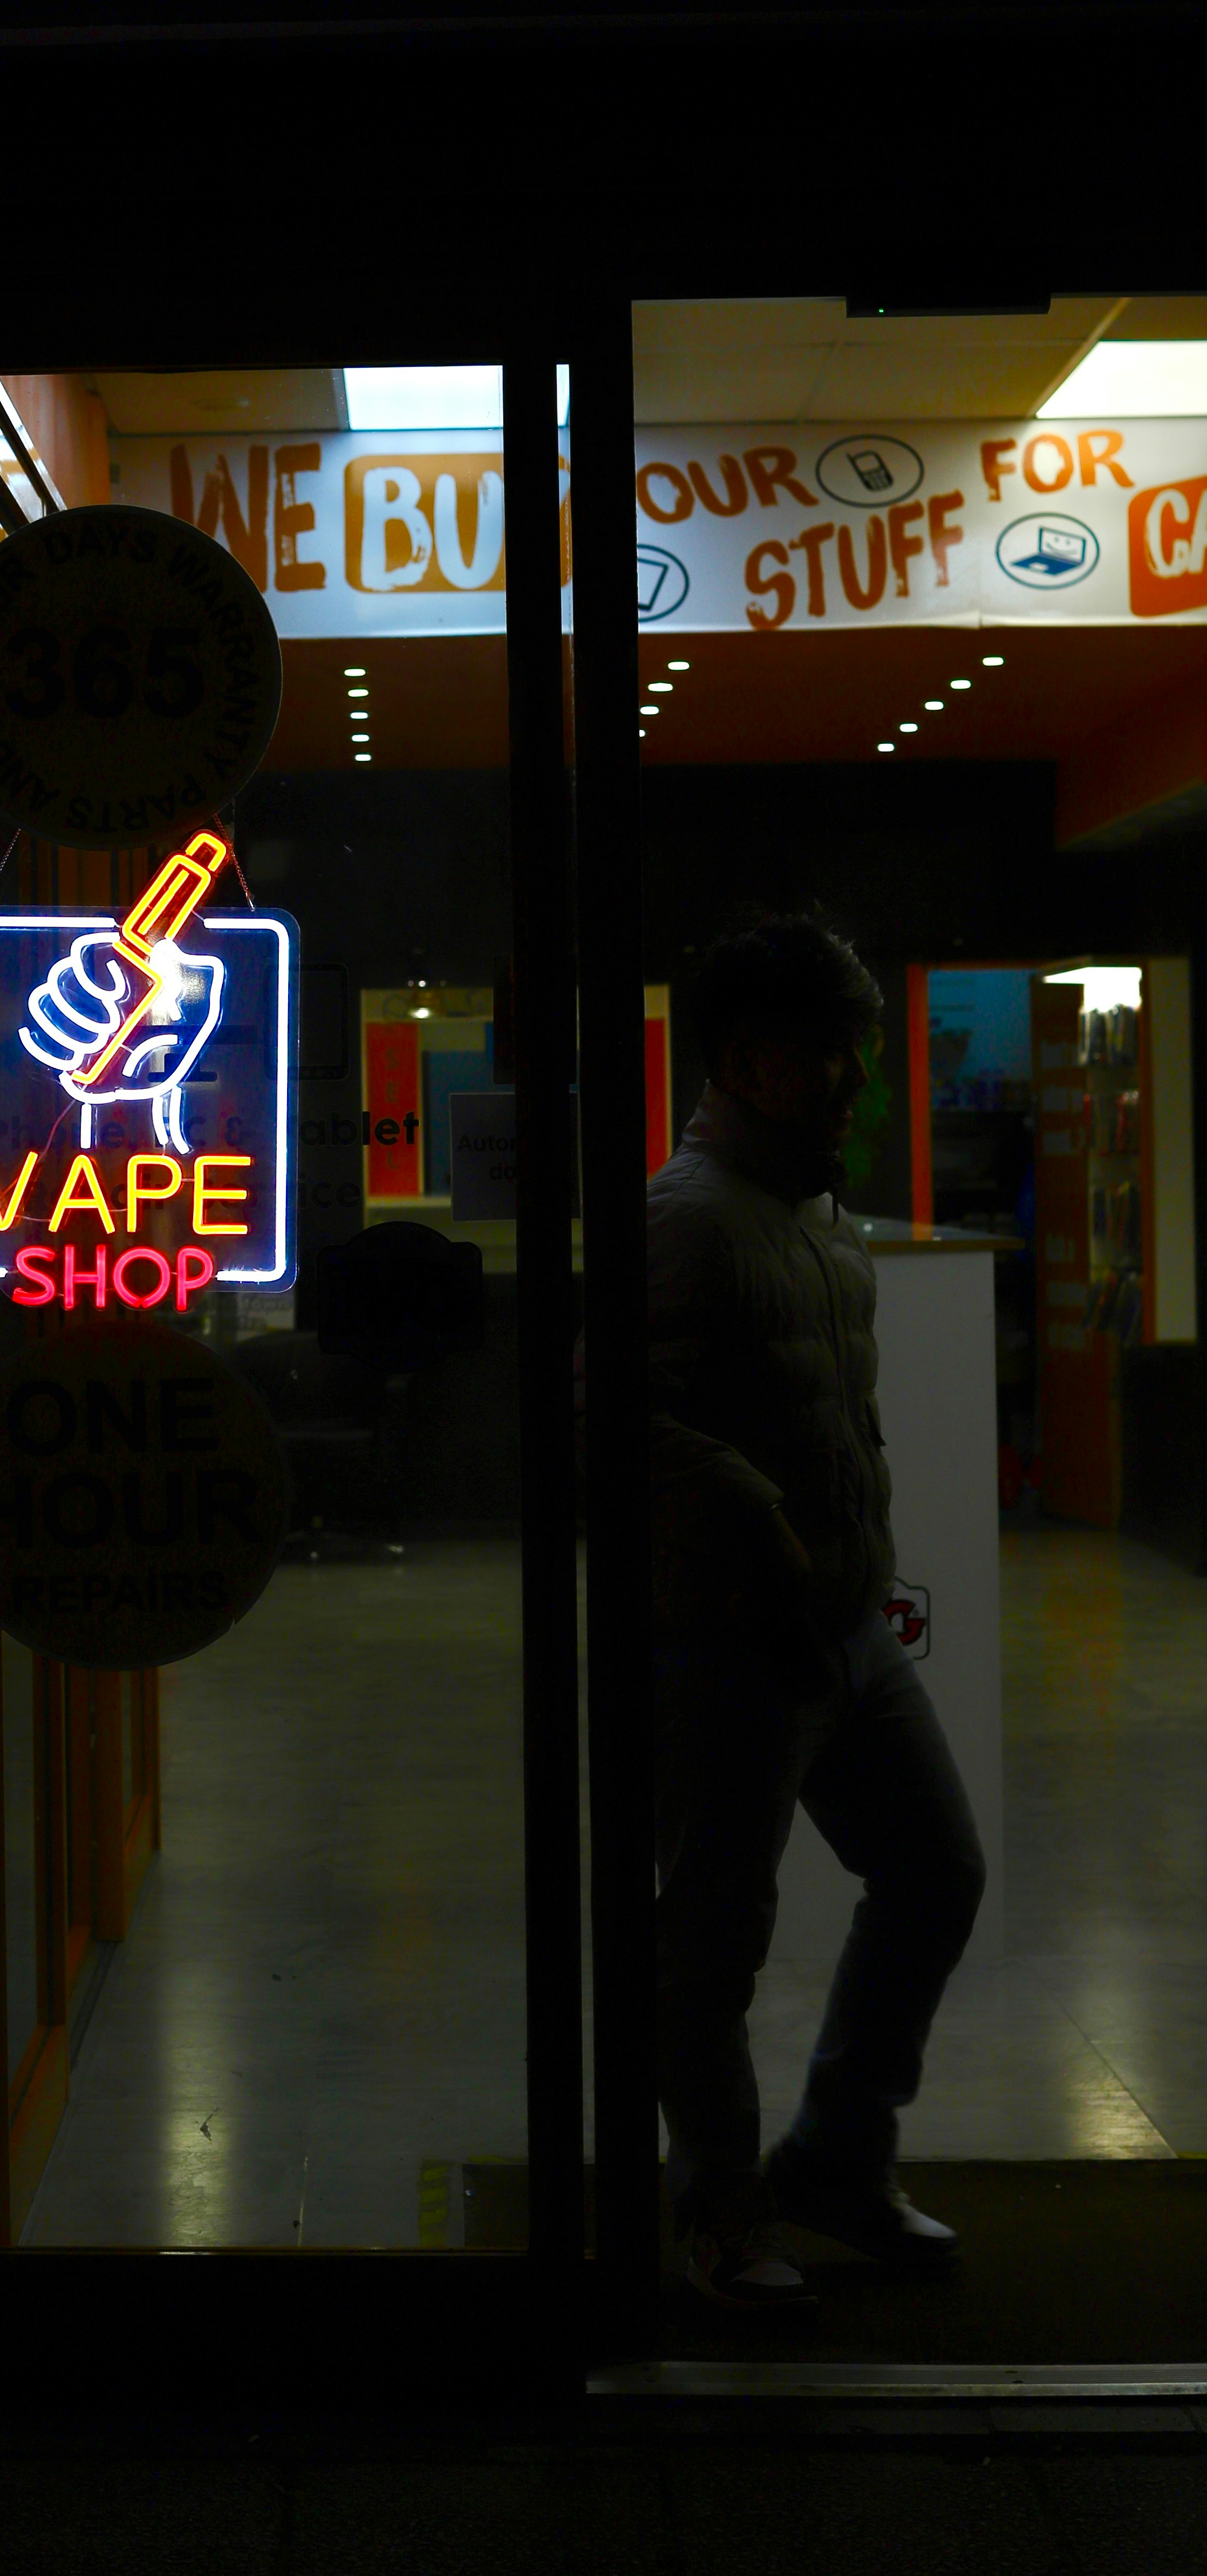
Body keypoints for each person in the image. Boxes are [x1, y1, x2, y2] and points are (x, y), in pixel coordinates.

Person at [648, 913, 985, 2311]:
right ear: (751, 1060)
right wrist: (752, 1519)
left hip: (842, 1637)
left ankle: (836, 2155)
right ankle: (720, 2213)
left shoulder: (818, 1219)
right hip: (733, 1647)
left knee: (934, 1872)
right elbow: (610, 1421)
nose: (860, 1076)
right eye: (836, 1052)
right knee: (711, 1943)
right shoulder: (685, 1224)